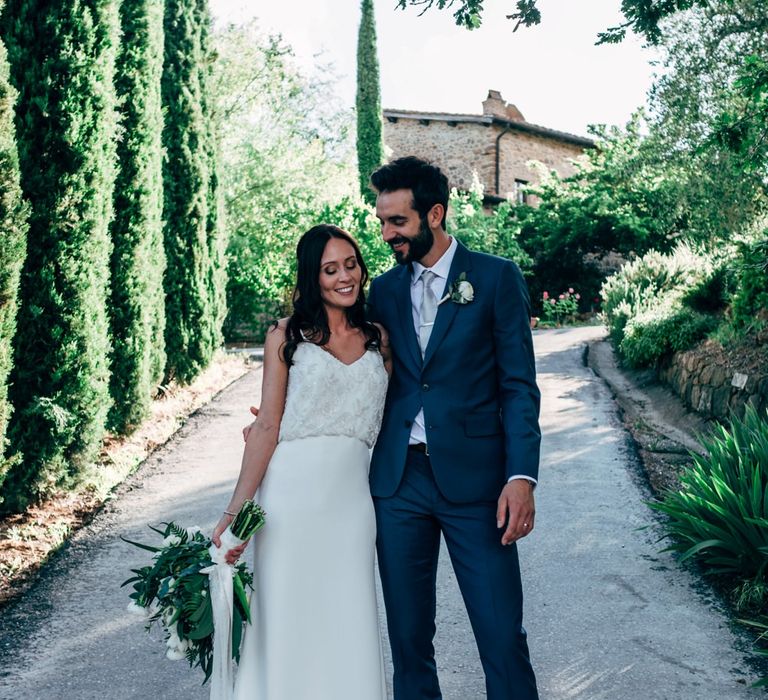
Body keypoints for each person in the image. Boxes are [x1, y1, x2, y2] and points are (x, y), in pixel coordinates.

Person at [367, 156, 541, 700]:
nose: (386, 233)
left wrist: (521, 477)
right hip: (399, 484)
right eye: (382, 221)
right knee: (409, 641)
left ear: (434, 214)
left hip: (478, 486)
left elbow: (519, 386)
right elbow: (359, 370)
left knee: (500, 633)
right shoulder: (384, 290)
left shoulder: (494, 278)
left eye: (397, 221)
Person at [212, 224, 391, 700]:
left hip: (352, 505)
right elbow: (268, 426)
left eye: (350, 264)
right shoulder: (285, 337)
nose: (344, 277)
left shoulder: (380, 340)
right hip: (291, 501)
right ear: (313, 278)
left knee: (347, 616)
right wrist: (236, 513)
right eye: (330, 269)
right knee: (288, 617)